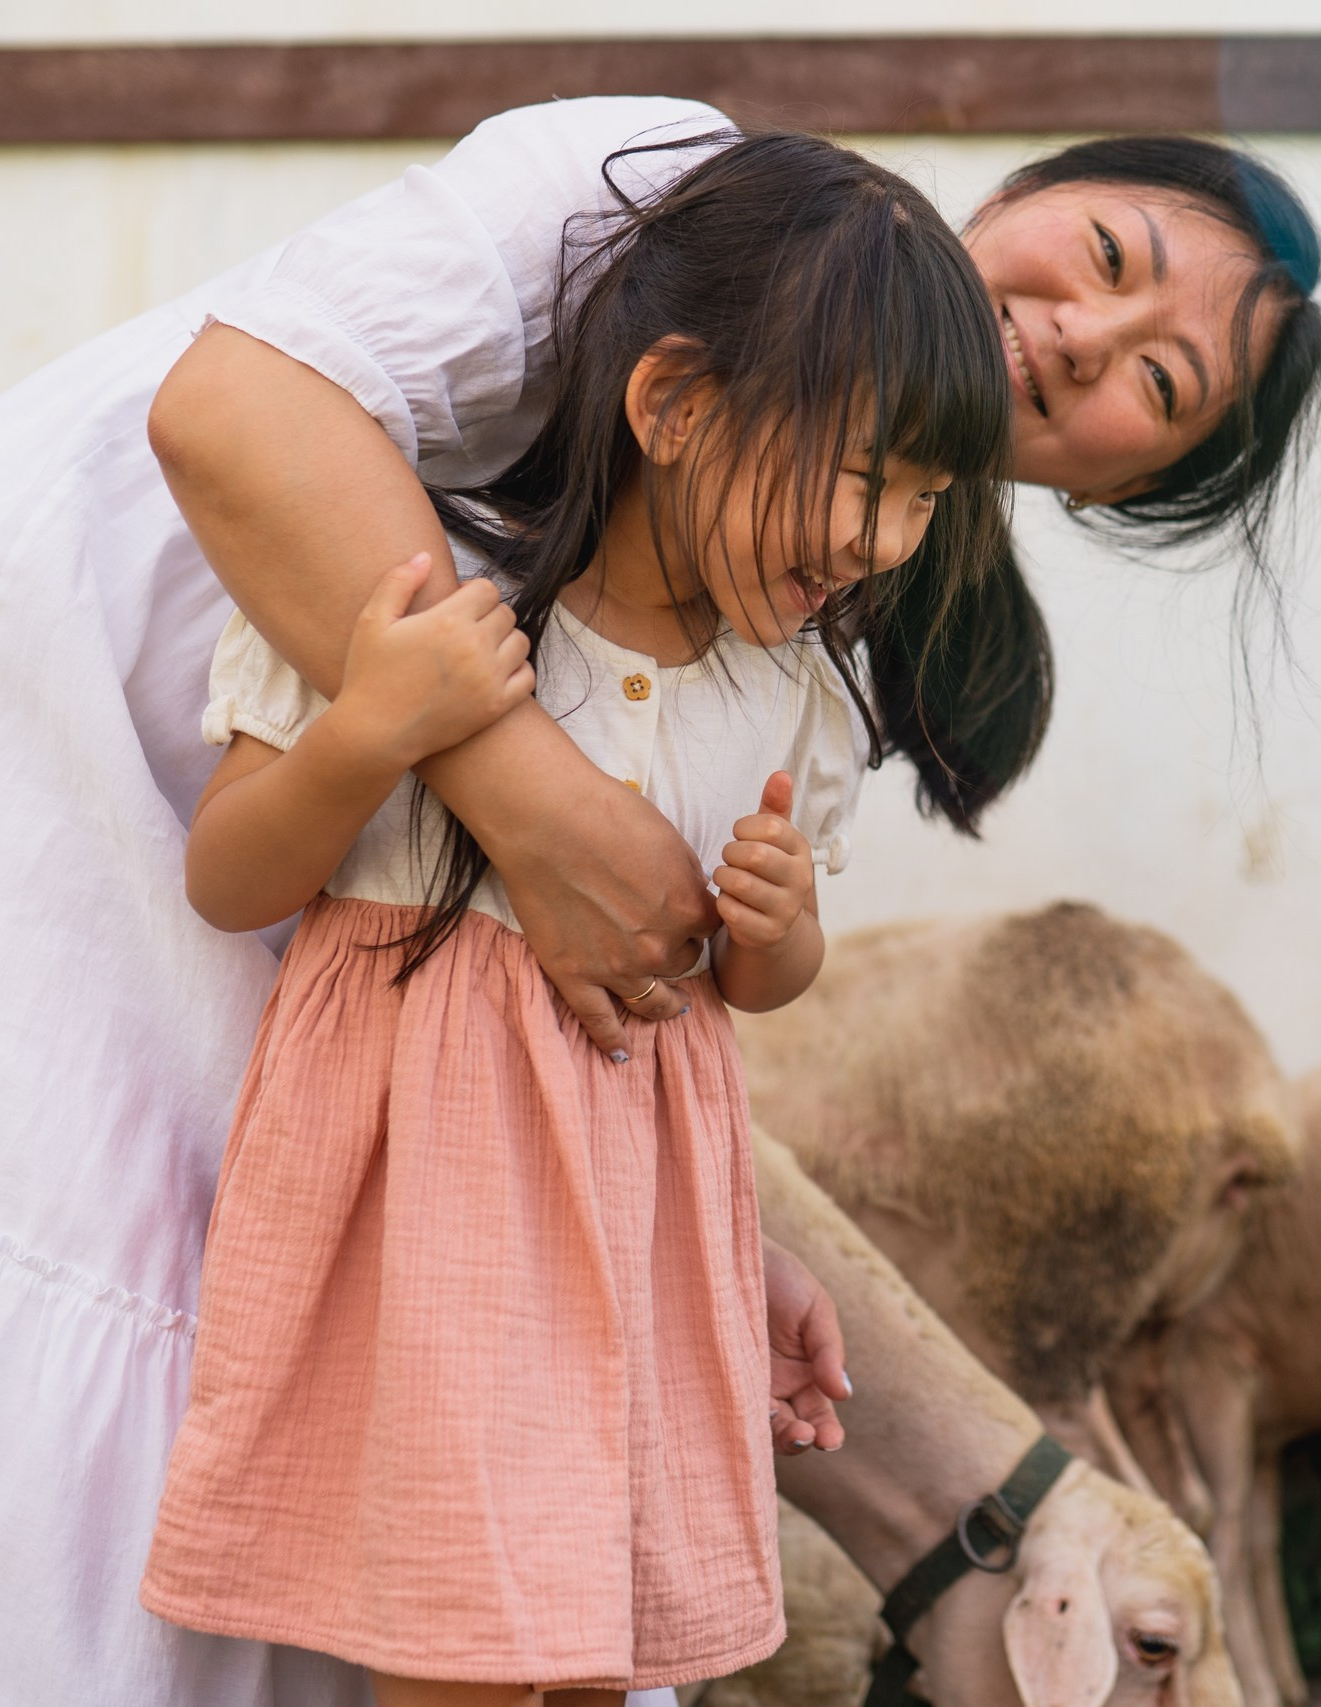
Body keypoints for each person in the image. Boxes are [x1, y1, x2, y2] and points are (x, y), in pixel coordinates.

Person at [0, 96, 1321, 1707]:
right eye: (1104, 255)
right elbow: (240, 410)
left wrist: (708, 1229)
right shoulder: (663, 196)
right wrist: (524, 799)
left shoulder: (799, 607)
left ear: (1127, 489)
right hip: (61, 748)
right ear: (1025, 186)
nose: (1087, 341)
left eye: (1162, 382)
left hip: (352, 1037)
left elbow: (636, 992)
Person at [135, 129, 1013, 1706]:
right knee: (463, 1644)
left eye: (928, 501)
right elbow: (231, 881)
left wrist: (776, 932)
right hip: (431, 1215)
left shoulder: (796, 701)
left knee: (597, 1644)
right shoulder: (422, 599)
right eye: (867, 478)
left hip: (634, 1229)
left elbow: (738, 994)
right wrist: (371, 730)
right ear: (673, 404)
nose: (887, 542)